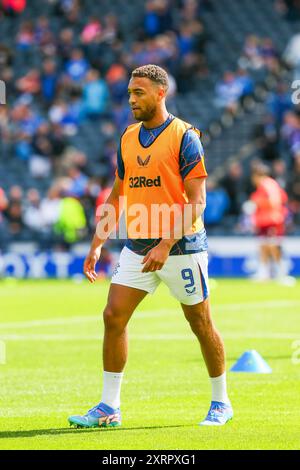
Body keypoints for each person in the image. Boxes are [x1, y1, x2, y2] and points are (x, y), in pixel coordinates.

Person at [68, 64, 233, 428]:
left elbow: (197, 201)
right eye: (129, 93)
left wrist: (166, 243)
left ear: (161, 93)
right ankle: (109, 407)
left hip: (182, 248)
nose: (131, 99)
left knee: (200, 322)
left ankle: (221, 402)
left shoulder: (185, 136)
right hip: (138, 246)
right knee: (113, 316)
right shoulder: (127, 137)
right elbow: (117, 194)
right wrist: (97, 243)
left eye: (138, 92)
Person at [249, 163, 289, 281]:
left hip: (272, 220)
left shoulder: (268, 184)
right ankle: (263, 273)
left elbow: (274, 202)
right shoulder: (264, 186)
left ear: (256, 175)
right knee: (263, 247)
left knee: (274, 246)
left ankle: (282, 274)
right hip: (264, 221)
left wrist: (256, 203)